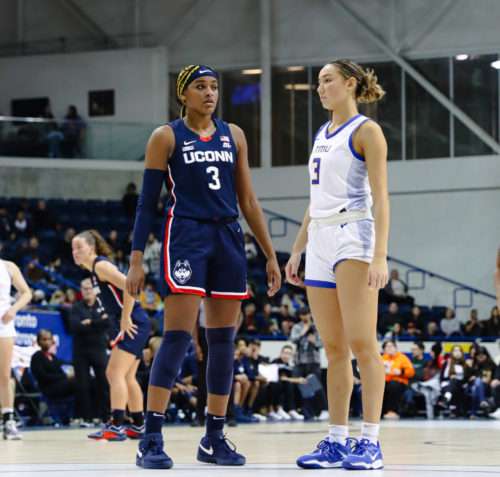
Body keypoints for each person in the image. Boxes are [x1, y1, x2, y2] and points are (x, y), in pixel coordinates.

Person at [125, 64, 281, 469]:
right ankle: (150, 437)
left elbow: (248, 201)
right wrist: (137, 258)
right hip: (187, 237)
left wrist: (269, 254)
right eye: (200, 87)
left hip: (229, 237)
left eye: (214, 87)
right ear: (184, 94)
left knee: (224, 341)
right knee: (177, 337)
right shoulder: (166, 136)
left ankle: (214, 436)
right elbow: (147, 203)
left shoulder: (235, 134)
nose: (209, 93)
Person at [286, 58, 389, 470]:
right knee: (334, 349)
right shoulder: (321, 133)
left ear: (350, 84)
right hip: (321, 240)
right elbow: (316, 201)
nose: (320, 87)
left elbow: (381, 197)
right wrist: (297, 248)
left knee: (364, 345)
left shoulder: (368, 131)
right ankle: (336, 441)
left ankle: (372, 443)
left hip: (354, 237)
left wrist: (380, 253)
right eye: (317, 82)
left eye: (327, 80)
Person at [72, 229, 151, 441]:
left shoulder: (101, 265)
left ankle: (115, 425)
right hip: (132, 321)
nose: (75, 251)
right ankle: (139, 424)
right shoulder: (94, 272)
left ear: (91, 248)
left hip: (133, 321)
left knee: (113, 373)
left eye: (79, 247)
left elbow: (131, 286)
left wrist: (125, 318)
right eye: (73, 248)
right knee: (127, 376)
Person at [69, 278, 111, 425]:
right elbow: (75, 326)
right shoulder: (76, 307)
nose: (87, 291)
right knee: (82, 385)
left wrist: (90, 322)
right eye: (84, 288)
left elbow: (108, 322)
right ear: (81, 290)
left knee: (104, 383)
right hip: (81, 351)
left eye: (90, 288)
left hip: (99, 350)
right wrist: (98, 324)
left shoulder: (103, 305)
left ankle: (106, 416)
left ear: (95, 290)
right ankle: (85, 417)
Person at [0, 241, 32, 439]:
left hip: (3, 324)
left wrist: (13, 309)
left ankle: (8, 421)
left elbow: (27, 293)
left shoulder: (9, 267)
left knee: (4, 374)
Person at [381, 340, 415, 419]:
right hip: (385, 381)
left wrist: (401, 372)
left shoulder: (402, 358)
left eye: (391, 346)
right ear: (384, 349)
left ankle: (393, 411)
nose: (389, 348)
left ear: (396, 348)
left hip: (400, 382)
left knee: (393, 385)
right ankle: (379, 412)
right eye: (387, 347)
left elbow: (411, 372)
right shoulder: (382, 358)